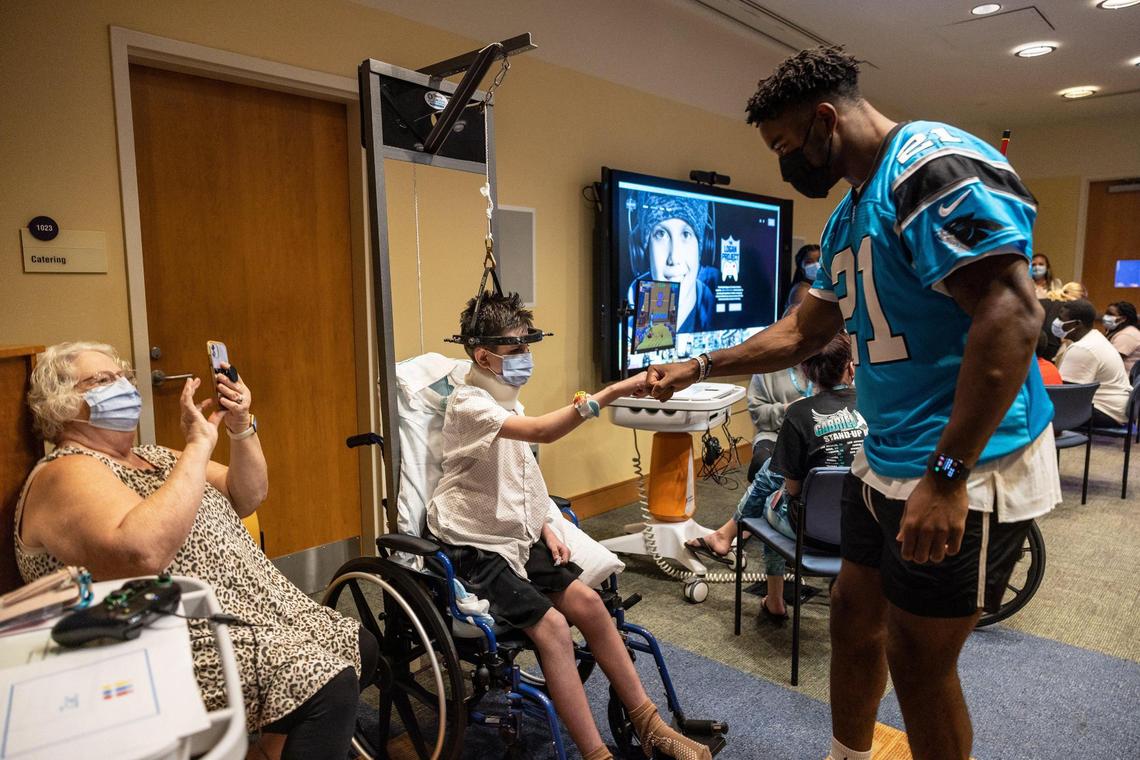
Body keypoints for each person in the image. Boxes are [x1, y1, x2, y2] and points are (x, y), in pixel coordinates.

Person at [647, 46, 1059, 760]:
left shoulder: (931, 166)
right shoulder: (849, 213)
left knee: (920, 663)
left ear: (826, 120)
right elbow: (805, 329)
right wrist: (701, 363)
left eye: (783, 144)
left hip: (967, 460)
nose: (783, 163)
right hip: (885, 450)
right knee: (851, 616)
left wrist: (948, 475)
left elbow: (1013, 316)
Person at [16, 342, 374, 760]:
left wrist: (240, 425)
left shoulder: (151, 456)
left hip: (250, 611)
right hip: (164, 638)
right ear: (60, 404)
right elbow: (142, 552)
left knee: (358, 645)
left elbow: (248, 494)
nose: (123, 387)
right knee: (325, 686)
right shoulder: (66, 471)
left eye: (123, 378)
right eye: (102, 380)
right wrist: (199, 444)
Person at [427, 292, 711, 760]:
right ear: (484, 355)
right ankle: (595, 754)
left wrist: (545, 522)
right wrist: (613, 391)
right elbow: (542, 433)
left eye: (527, 346)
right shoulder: (469, 405)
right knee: (554, 628)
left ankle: (651, 726)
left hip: (514, 535)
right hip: (473, 540)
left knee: (592, 606)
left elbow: (521, 472)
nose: (526, 359)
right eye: (517, 349)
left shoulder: (506, 402)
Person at [688, 333, 866, 622]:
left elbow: (794, 490)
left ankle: (773, 598)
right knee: (773, 473)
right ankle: (725, 535)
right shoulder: (871, 406)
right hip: (865, 527)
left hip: (811, 533)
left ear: (806, 371)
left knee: (770, 497)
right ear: (851, 367)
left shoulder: (798, 413)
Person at [628, 192, 717, 333]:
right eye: (661, 234)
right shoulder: (624, 329)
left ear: (703, 247)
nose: (674, 258)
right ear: (643, 250)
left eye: (686, 234)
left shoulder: (720, 317)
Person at [1055, 300, 1132, 426]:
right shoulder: (1095, 337)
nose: (1056, 323)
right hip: (1117, 408)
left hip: (1105, 411)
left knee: (1035, 409)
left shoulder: (1083, 348)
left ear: (1077, 324)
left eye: (1061, 319)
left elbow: (1066, 395)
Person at [1103, 300, 1140, 374]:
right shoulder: (1119, 331)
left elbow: (1111, 360)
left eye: (1110, 314)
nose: (1106, 317)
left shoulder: (1128, 335)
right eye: (1106, 313)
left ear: (1123, 319)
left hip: (1127, 381)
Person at [787, 243, 823, 308]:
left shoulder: (819, 287)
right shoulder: (802, 290)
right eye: (809, 262)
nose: (816, 265)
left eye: (819, 260)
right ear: (801, 267)